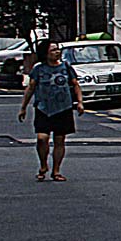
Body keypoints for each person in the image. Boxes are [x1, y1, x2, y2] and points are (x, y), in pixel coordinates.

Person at [18, 39, 83, 182]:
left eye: (58, 49)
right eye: (53, 50)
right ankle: (43, 165)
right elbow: (31, 88)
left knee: (60, 140)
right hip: (43, 108)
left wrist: (80, 102)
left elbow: (75, 85)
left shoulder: (66, 67)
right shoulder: (39, 69)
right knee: (42, 138)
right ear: (45, 54)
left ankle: (56, 171)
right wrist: (23, 107)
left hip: (63, 108)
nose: (57, 52)